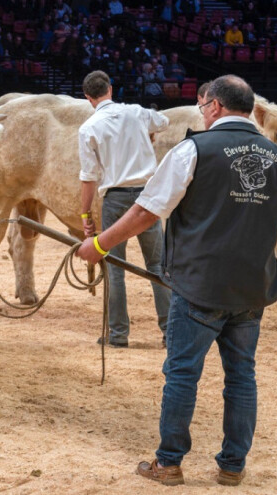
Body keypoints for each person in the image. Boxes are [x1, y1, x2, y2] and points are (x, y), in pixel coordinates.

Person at [77, 75, 277, 486]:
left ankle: (169, 462)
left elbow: (146, 212)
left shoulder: (193, 149)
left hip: (200, 283)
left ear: (214, 106)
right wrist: (265, 217)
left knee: (182, 374)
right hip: (251, 286)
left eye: (203, 107)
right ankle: (232, 465)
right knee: (241, 376)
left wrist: (99, 245)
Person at [78, 70, 171, 348]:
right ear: (110, 89)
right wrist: (148, 132)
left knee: (114, 267)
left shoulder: (88, 128)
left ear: (88, 98)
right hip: (146, 198)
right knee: (157, 266)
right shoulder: (136, 112)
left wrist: (85, 215)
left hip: (115, 200)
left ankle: (118, 334)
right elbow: (164, 121)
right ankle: (170, 332)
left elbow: (88, 177)